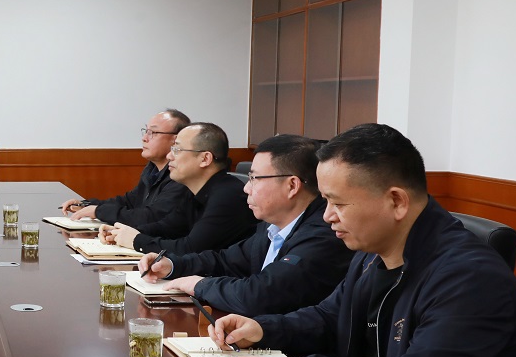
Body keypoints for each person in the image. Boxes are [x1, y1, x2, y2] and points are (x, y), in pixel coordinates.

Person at [196, 124, 516, 357]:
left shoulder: (469, 277)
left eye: (338, 203)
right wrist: (263, 329)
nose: (327, 216)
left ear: (396, 202)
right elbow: (330, 317)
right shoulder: (373, 252)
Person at [132, 134, 352, 316]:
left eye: (255, 179)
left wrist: (199, 285)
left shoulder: (324, 234)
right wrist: (173, 265)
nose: (246, 188)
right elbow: (226, 261)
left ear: (292, 185)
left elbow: (259, 296)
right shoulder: (270, 227)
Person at [100, 121, 256, 255]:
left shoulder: (228, 196)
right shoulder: (193, 189)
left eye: (177, 150)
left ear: (205, 158)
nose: (169, 156)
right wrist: (121, 232)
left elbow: (190, 248)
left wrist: (136, 240)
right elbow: (168, 227)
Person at [61, 109, 196, 236]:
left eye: (153, 133)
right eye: (146, 131)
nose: (144, 138)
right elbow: (129, 201)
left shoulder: (181, 177)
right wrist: (87, 205)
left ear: (176, 140)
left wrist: (98, 211)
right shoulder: (152, 169)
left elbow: (151, 217)